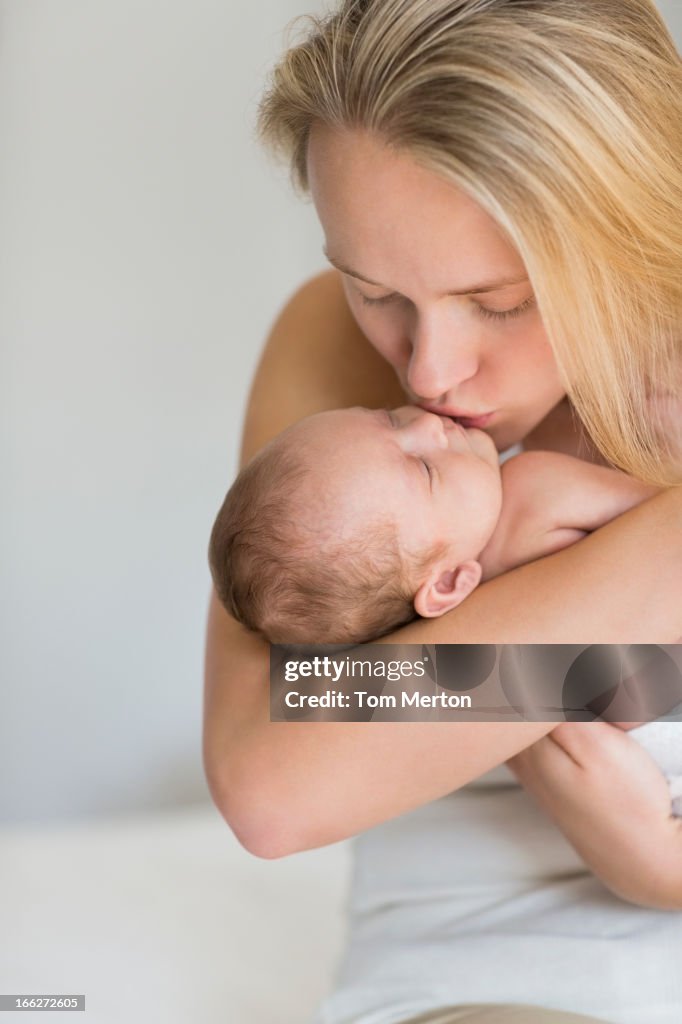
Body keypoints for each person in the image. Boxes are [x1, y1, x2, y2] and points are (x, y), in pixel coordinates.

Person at [203, 1, 682, 1021]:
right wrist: (520, 532)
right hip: (473, 969)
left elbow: (327, 701)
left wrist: (661, 872)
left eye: (499, 303)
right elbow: (274, 782)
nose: (428, 372)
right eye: (372, 288)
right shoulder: (323, 345)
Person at [207, 404, 660, 645]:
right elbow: (669, 519)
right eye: (424, 469)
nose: (427, 423)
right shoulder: (534, 489)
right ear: (446, 584)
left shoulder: (465, 642)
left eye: (386, 416)